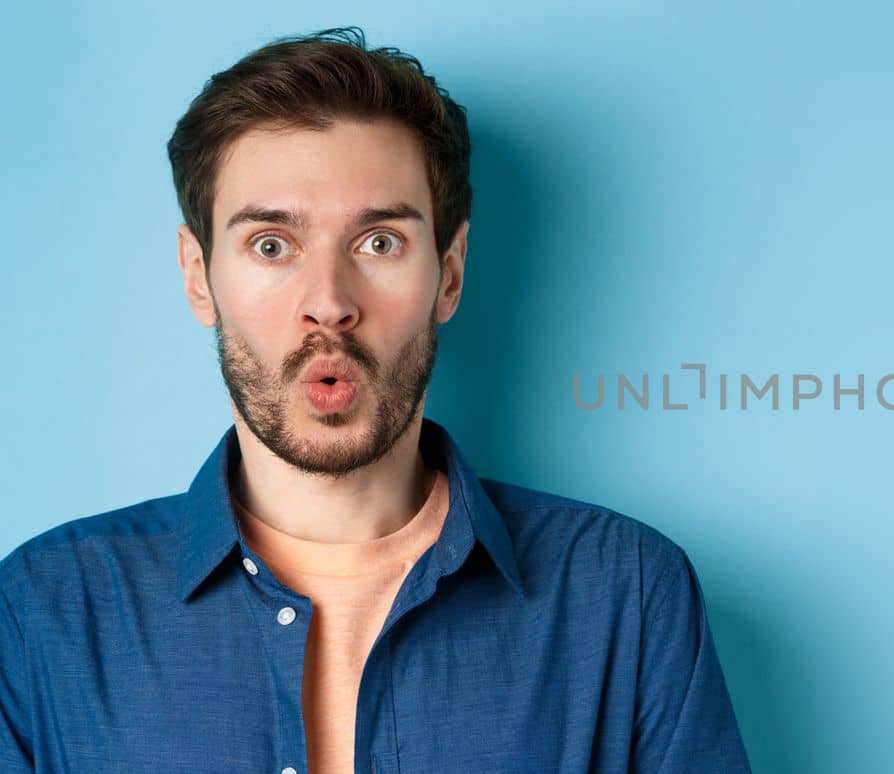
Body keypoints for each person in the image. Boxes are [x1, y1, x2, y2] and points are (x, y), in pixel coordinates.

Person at [0, 27, 751, 774]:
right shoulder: (44, 612)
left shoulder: (627, 596)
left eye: (379, 243)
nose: (328, 303)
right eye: (271, 245)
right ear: (199, 277)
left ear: (449, 275)